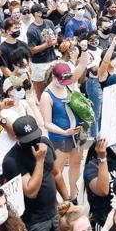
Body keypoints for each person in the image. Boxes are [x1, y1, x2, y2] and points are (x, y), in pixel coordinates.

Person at [2, 115, 70, 231]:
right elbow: (30, 192)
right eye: (28, 140)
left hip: (54, 212)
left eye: (35, 137)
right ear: (16, 138)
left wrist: (67, 198)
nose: (34, 142)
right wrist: (39, 161)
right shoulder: (12, 160)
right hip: (34, 222)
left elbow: (56, 173)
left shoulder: (45, 142)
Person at [39, 62, 83, 204]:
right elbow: (47, 123)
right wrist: (64, 132)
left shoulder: (69, 86)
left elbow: (82, 65)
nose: (64, 84)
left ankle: (74, 193)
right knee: (57, 169)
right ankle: (65, 197)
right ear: (53, 77)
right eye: (61, 81)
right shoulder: (47, 95)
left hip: (76, 132)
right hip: (60, 136)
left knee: (76, 163)